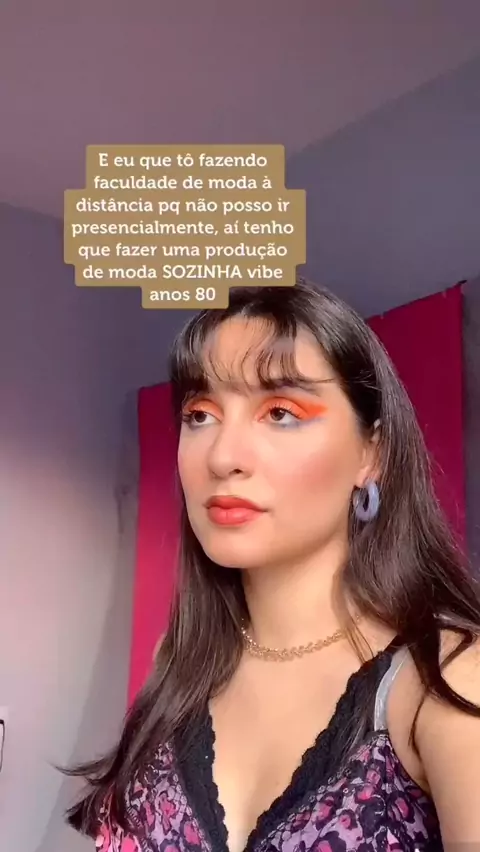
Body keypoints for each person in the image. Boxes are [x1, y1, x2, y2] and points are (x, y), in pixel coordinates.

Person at [64, 278, 480, 851]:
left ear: (371, 453)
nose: (223, 456)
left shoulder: (446, 681)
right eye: (200, 415)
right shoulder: (179, 661)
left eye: (280, 412)